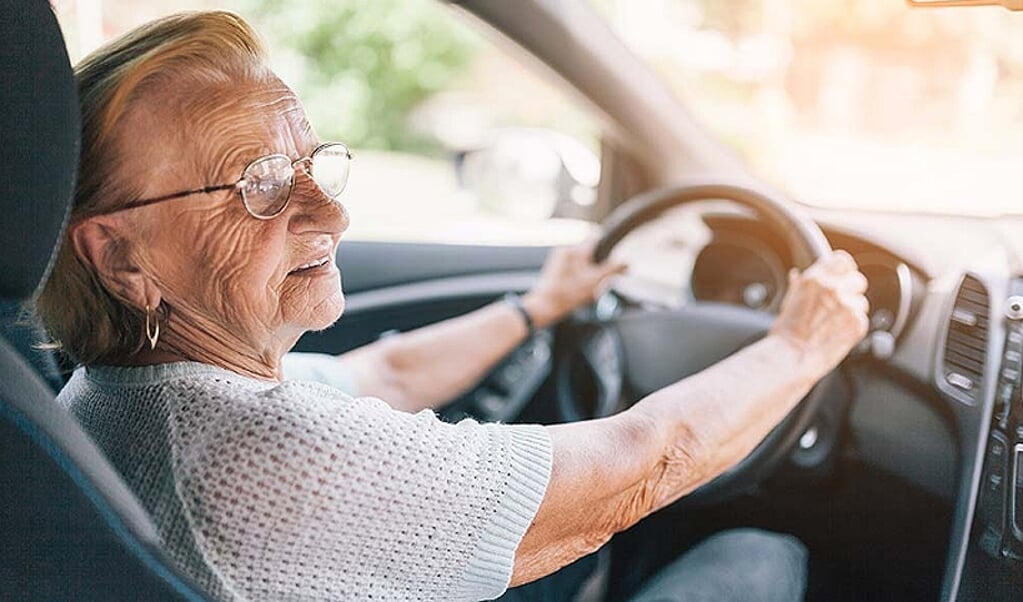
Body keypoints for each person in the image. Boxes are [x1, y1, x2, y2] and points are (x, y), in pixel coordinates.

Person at [36, 11, 868, 601]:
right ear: (119, 256)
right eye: (256, 186)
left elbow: (385, 372)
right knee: (762, 558)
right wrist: (801, 344)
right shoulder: (263, 454)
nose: (331, 214)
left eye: (313, 166)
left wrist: (535, 308)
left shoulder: (114, 399)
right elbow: (639, 465)